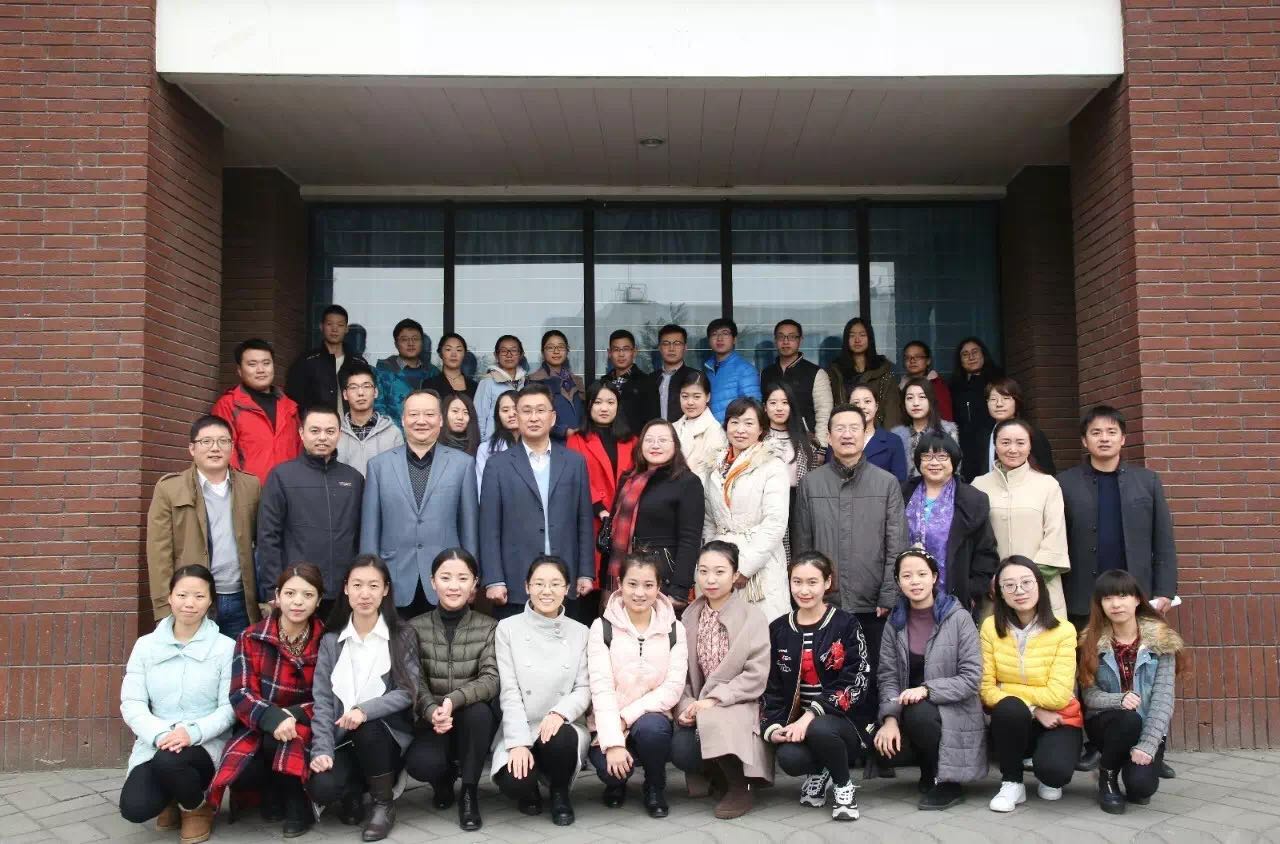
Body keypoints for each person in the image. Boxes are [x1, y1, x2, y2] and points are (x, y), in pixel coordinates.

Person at [794, 403, 907, 736]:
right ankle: (838, 741)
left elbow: (896, 544)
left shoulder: (886, 483)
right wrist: (809, 593)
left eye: (853, 428)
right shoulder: (811, 483)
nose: (846, 435)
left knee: (872, 673)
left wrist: (889, 592)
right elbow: (803, 545)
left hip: (872, 601)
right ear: (829, 437)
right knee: (830, 675)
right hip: (827, 602)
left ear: (865, 434)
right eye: (839, 429)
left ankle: (871, 741)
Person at [206, 565, 326, 837]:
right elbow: (241, 692)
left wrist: (293, 715)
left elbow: (330, 696)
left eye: (308, 595)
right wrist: (272, 717)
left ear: (318, 600)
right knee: (245, 769)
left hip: (309, 723)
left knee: (286, 738)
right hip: (260, 723)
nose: (297, 602)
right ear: (277, 596)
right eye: (290, 593)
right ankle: (271, 790)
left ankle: (296, 802)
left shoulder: (327, 640)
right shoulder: (251, 637)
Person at [118, 565, 234, 844]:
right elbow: (132, 702)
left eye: (199, 596)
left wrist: (191, 733)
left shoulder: (225, 647)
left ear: (210, 600)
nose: (189, 603)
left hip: (204, 742)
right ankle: (174, 794)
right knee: (135, 808)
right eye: (182, 595)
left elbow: (229, 708)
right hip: (157, 740)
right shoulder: (146, 646)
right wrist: (160, 734)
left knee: (170, 762)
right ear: (170, 597)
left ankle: (196, 807)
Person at [309, 556, 420, 842]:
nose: (365, 593)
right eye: (357, 585)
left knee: (368, 727)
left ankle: (383, 805)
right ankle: (354, 792)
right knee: (322, 787)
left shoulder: (402, 634)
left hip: (384, 737)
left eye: (373, 585)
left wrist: (364, 710)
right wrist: (322, 749)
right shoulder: (331, 640)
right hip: (342, 738)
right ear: (346, 588)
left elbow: (408, 690)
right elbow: (322, 701)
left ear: (385, 590)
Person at [873, 549, 986, 810]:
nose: (915, 581)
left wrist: (926, 690)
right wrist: (889, 719)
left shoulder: (958, 618)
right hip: (910, 707)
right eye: (907, 576)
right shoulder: (895, 622)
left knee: (919, 713)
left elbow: (971, 678)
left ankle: (948, 783)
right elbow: (888, 676)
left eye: (922, 574)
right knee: (899, 725)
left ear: (934, 577)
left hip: (955, 706)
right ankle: (929, 770)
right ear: (898, 581)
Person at [762, 551, 871, 822]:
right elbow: (772, 687)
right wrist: (773, 727)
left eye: (812, 582)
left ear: (827, 582)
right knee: (789, 757)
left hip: (846, 723)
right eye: (797, 582)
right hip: (799, 725)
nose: (804, 590)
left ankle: (843, 787)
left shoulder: (846, 624)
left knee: (820, 727)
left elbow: (856, 681)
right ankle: (820, 771)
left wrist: (811, 714)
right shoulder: (779, 629)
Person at [670, 542, 772, 819]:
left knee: (715, 718)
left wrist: (715, 699)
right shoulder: (689, 615)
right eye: (703, 571)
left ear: (735, 574)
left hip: (740, 701)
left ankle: (741, 786)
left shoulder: (752, 617)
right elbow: (680, 671)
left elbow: (756, 673)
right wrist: (687, 705)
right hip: (699, 703)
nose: (710, 580)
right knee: (681, 748)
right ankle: (718, 775)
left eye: (719, 571)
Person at [491, 556, 592, 826]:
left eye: (555, 584)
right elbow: (509, 691)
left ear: (567, 589)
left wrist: (560, 713)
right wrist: (518, 743)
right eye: (539, 583)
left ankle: (560, 792)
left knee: (560, 737)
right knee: (515, 782)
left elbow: (583, 688)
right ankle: (530, 787)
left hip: (562, 725)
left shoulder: (581, 632)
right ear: (527, 587)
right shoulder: (507, 629)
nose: (547, 591)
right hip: (522, 723)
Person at [587, 552, 689, 818]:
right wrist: (613, 740)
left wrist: (626, 718)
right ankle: (616, 784)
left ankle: (655, 785)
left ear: (659, 587)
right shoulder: (602, 628)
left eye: (648, 585)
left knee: (653, 729)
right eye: (632, 584)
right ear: (620, 584)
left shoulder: (675, 629)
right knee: (612, 772)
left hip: (650, 719)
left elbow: (673, 687)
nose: (640, 593)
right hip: (609, 721)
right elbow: (601, 688)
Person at [361, 389, 480, 618]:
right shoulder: (378, 466)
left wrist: (472, 576)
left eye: (429, 414)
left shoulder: (463, 464)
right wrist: (369, 579)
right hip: (393, 578)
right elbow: (370, 530)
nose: (421, 421)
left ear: (440, 420)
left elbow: (469, 528)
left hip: (448, 580)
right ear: (403, 419)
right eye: (414, 414)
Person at [480, 383, 595, 619]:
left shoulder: (575, 462)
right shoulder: (497, 465)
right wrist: (494, 579)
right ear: (517, 417)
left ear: (553, 418)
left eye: (541, 410)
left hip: (565, 579)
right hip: (515, 581)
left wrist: (585, 572)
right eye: (526, 411)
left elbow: (583, 520)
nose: (534, 417)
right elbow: (489, 527)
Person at [404, 549, 499, 832]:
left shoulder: (489, 627)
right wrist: (432, 710)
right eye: (445, 578)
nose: (454, 586)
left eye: (462, 578)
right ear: (433, 581)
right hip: (432, 720)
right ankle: (442, 781)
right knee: (421, 764)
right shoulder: (414, 627)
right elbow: (413, 681)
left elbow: (491, 678)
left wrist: (452, 700)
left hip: (470, 719)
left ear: (474, 583)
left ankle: (469, 792)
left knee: (480, 713)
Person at [1078, 570, 1185, 814]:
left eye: (1123, 596)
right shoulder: (1091, 642)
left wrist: (1148, 744)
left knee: (1141, 789)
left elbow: (1163, 700)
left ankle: (1130, 763)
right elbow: (1090, 696)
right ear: (1100, 604)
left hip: (1147, 727)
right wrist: (1120, 700)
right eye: (1107, 598)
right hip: (1107, 724)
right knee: (1128, 720)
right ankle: (1107, 775)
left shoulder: (1162, 642)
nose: (1115, 604)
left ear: (1137, 599)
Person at [1060, 405, 1179, 624]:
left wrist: (1165, 590)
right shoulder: (1064, 483)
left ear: (1123, 438)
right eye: (1096, 432)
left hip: (1136, 592)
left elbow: (1163, 540)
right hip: (1082, 595)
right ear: (1084, 440)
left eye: (1111, 432)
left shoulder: (1147, 481)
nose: (1104, 438)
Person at [982, 556, 1082, 812]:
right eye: (1009, 585)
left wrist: (1005, 688)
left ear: (1040, 585)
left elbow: (1059, 696)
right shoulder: (990, 628)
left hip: (1059, 718)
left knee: (1054, 775)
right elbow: (986, 690)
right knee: (1009, 708)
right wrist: (1034, 709)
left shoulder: (1064, 631)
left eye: (1026, 582)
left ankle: (1044, 766)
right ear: (1000, 592)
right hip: (1015, 720)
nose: (1019, 591)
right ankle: (1012, 783)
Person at [147, 414, 260, 638]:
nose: (215, 448)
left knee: (239, 659)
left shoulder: (251, 486)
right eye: (206, 441)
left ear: (232, 446)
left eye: (223, 441)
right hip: (192, 600)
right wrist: (163, 608)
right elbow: (159, 552)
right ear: (192, 448)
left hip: (241, 598)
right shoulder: (169, 488)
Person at [257, 406, 364, 618]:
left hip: (343, 591)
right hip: (298, 590)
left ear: (340, 434)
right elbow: (268, 536)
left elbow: (361, 534)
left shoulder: (354, 479)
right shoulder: (282, 476)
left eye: (330, 431)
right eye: (315, 431)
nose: (322, 437)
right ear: (301, 433)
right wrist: (273, 587)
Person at [702, 398, 791, 621]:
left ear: (761, 429)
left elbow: (775, 522)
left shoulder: (772, 465)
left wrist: (745, 566)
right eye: (734, 422)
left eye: (749, 423)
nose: (740, 430)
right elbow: (709, 521)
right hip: (721, 565)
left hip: (759, 563)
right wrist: (711, 560)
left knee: (762, 629)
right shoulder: (714, 465)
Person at [972, 419, 1071, 617]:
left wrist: (1026, 582)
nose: (1013, 449)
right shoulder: (978, 485)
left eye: (1020, 442)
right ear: (995, 445)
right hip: (993, 591)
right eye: (1005, 442)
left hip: (1040, 588)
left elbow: (1055, 540)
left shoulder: (1047, 485)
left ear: (1030, 446)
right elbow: (972, 540)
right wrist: (989, 579)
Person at [607, 419, 705, 609]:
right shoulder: (628, 479)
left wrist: (680, 589)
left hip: (663, 576)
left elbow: (690, 539)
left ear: (675, 445)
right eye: (649, 440)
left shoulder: (687, 482)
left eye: (662, 440)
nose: (655, 445)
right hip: (627, 572)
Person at [900, 433, 1000, 614]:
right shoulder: (902, 492)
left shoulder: (972, 499)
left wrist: (971, 590)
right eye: (927, 456)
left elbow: (985, 551)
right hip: (906, 595)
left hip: (955, 597)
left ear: (954, 460)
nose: (934, 462)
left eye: (942, 456)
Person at [566, 380, 636, 617]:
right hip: (591, 520)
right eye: (598, 402)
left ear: (618, 406)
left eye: (610, 402)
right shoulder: (576, 439)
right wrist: (599, 508)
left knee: (623, 588)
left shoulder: (631, 440)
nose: (604, 408)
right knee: (590, 588)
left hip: (625, 522)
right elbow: (575, 478)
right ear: (589, 407)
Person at [212, 338, 301, 483]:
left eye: (266, 363)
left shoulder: (290, 407)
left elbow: (299, 451)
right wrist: (239, 488)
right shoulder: (229, 405)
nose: (261, 370)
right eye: (252, 364)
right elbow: (223, 452)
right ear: (239, 370)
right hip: (249, 491)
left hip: (287, 490)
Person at [762, 381, 820, 562]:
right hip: (768, 504)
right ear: (765, 407)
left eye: (785, 402)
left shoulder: (807, 442)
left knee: (800, 555)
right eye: (773, 403)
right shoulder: (758, 440)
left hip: (799, 503)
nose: (779, 408)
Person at [760, 319, 834, 448]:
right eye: (781, 337)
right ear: (775, 340)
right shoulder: (766, 373)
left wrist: (822, 447)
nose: (786, 341)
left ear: (800, 340)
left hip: (806, 442)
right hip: (771, 443)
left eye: (792, 337)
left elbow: (824, 413)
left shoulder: (816, 373)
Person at [826, 317, 904, 430]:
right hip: (845, 432)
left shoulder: (884, 370)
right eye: (852, 335)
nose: (857, 340)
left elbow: (892, 411)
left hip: (877, 433)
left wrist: (888, 438)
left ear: (870, 338)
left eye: (862, 335)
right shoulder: (835, 371)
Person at [288, 304, 364, 415]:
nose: (334, 329)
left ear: (346, 329)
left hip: (352, 424)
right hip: (317, 424)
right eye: (329, 324)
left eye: (340, 325)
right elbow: (293, 400)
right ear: (321, 327)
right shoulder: (306, 361)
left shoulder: (358, 363)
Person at [974, 376, 1056, 476]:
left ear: (1017, 402)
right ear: (987, 402)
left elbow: (1047, 472)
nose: (999, 404)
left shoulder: (1033, 434)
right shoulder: (983, 436)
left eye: (1006, 398)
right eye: (993, 399)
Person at [948, 336, 1003, 481]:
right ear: (960, 360)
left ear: (983, 354)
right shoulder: (954, 386)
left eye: (975, 352)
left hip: (992, 443)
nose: (971, 357)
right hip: (964, 447)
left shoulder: (998, 381)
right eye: (965, 354)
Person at [337, 360, 404, 477]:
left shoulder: (393, 433)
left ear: (376, 392)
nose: (360, 393)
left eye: (366, 386)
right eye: (353, 387)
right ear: (345, 395)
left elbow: (399, 475)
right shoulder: (335, 433)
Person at [374, 318, 440, 425]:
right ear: (396, 344)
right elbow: (378, 408)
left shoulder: (433, 373)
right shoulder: (383, 372)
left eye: (415, 339)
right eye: (404, 339)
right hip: (393, 433)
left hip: (427, 431)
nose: (410, 343)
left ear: (422, 343)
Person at [892, 376, 959, 480]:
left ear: (931, 400)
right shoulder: (896, 436)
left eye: (922, 397)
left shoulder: (947, 431)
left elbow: (954, 470)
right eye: (910, 398)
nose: (915, 403)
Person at [527, 329, 585, 439]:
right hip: (551, 442)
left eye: (561, 347)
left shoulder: (576, 381)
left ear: (567, 351)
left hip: (579, 441)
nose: (556, 351)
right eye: (550, 347)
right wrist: (563, 431)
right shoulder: (535, 381)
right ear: (543, 352)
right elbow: (535, 415)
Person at [846, 383, 908, 482]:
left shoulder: (893, 441)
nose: (862, 406)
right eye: (856, 403)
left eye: (867, 401)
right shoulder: (838, 439)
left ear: (876, 406)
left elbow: (899, 482)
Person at [703, 317, 761, 423]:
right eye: (714, 334)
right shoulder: (708, 369)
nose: (719, 338)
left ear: (734, 339)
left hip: (733, 431)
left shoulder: (746, 370)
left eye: (725, 333)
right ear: (709, 341)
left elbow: (754, 408)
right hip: (710, 430)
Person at [673, 370, 728, 479]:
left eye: (696, 397)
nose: (690, 402)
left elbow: (710, 476)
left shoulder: (715, 431)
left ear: (708, 397)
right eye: (685, 396)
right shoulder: (672, 427)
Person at [603, 329, 660, 432]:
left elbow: (652, 422)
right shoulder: (602, 383)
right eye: (616, 349)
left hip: (635, 440)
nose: (621, 354)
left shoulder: (647, 383)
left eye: (626, 349)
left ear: (634, 352)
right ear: (609, 353)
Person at [474, 334, 528, 441]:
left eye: (514, 350)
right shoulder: (487, 382)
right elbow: (479, 417)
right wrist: (483, 444)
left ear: (521, 354)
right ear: (496, 355)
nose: (509, 355)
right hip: (494, 443)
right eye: (503, 351)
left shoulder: (525, 382)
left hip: (520, 442)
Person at [651, 323, 699, 422]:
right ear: (659, 348)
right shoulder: (650, 379)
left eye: (677, 343)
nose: (671, 348)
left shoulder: (696, 378)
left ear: (685, 347)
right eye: (666, 343)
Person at [474, 389, 519, 492]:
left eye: (516, 408)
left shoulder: (535, 445)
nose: (511, 414)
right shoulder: (485, 449)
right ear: (498, 416)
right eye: (505, 410)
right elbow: (481, 489)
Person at [900, 340, 954, 421]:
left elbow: (946, 418)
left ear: (928, 361)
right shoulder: (900, 387)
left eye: (917, 356)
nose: (912, 361)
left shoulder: (937, 385)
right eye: (907, 357)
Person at [422, 333, 478, 399]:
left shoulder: (475, 386)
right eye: (448, 349)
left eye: (459, 350)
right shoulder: (429, 385)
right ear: (440, 353)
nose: (453, 354)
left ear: (464, 354)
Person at [439, 392, 481, 456]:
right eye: (455, 411)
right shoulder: (433, 446)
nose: (460, 417)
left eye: (465, 412)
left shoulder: (479, 450)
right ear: (444, 413)